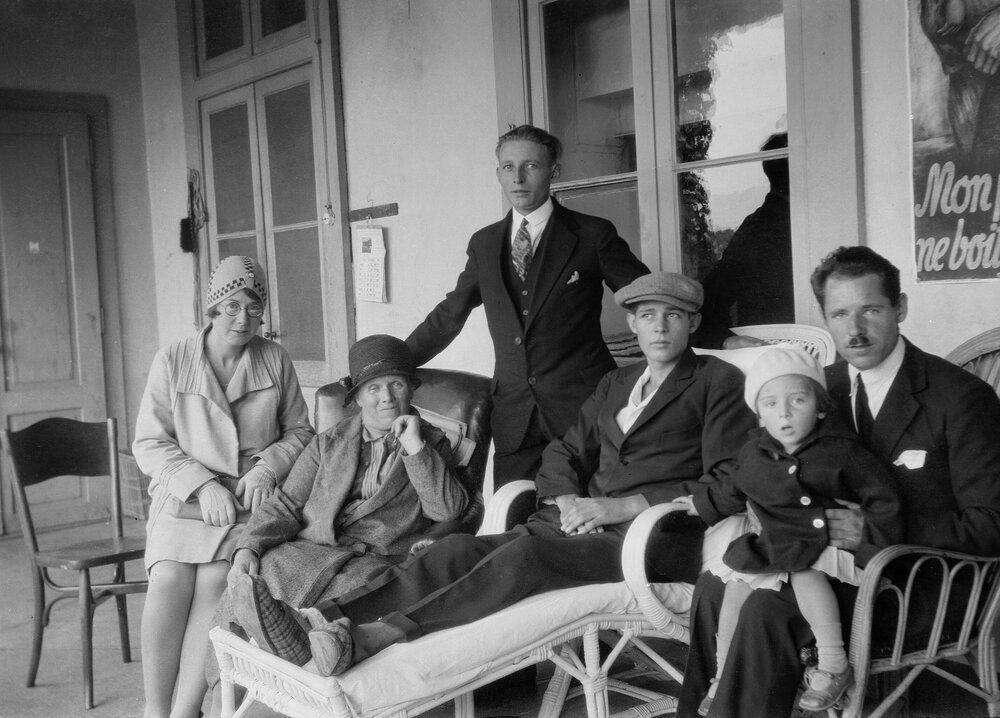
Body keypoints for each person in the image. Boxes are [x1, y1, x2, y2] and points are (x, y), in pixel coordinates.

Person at [230, 272, 756, 676]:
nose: (659, 327)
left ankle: (373, 637)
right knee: (455, 551)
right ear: (633, 323)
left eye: (672, 315)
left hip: (653, 540)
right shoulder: (616, 384)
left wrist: (621, 508)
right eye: (647, 315)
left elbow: (731, 480)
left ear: (691, 322)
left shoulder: (717, 381)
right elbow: (562, 455)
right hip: (576, 525)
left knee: (522, 555)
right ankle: (318, 623)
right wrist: (568, 500)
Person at [677, 246, 1000, 718]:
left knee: (767, 609)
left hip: (917, 583)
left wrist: (875, 529)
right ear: (825, 319)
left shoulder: (961, 397)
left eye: (871, 309)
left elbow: (992, 523)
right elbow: (759, 460)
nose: (855, 329)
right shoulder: (811, 387)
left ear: (901, 308)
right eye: (840, 314)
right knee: (715, 586)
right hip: (818, 564)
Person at [204, 335, 468, 713]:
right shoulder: (328, 442)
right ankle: (226, 699)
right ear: (357, 397)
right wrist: (248, 546)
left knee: (326, 625)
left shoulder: (429, 444)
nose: (386, 397)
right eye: (373, 387)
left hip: (370, 564)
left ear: (411, 389)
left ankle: (282, 676)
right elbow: (288, 502)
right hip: (306, 551)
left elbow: (448, 510)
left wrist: (415, 447)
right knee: (251, 587)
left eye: (396, 384)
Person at [405, 124, 649, 489]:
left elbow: (650, 297)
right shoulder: (485, 243)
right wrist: (389, 365)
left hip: (582, 410)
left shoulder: (592, 235)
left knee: (585, 522)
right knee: (514, 517)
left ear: (554, 170)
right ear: (498, 173)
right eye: (507, 167)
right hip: (515, 416)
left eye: (531, 166)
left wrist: (718, 337)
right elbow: (448, 315)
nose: (518, 177)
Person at [133, 256, 314, 718]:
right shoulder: (172, 359)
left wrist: (266, 468)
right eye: (231, 306)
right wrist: (200, 485)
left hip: (247, 503)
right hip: (185, 502)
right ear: (210, 310)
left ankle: (185, 711)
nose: (243, 318)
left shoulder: (274, 358)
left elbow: (300, 432)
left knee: (217, 580)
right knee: (170, 577)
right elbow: (150, 443)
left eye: (254, 307)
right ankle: (155, 710)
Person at [678, 347, 901, 715]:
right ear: (760, 414)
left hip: (825, 545)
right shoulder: (755, 453)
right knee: (734, 585)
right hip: (777, 541)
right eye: (770, 403)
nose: (783, 413)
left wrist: (869, 527)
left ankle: (833, 663)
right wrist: (698, 505)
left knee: (804, 573)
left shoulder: (841, 450)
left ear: (820, 406)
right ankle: (722, 677)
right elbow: (732, 488)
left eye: (797, 400)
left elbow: (883, 496)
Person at [693, 133, 792, 349]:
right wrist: (728, 340)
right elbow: (712, 297)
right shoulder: (761, 227)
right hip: (775, 348)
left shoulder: (764, 222)